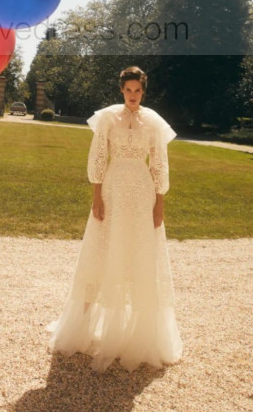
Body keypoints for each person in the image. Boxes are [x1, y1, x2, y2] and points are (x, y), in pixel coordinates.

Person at [49, 66, 183, 372]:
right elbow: (98, 155)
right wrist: (97, 194)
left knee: (139, 256)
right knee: (101, 252)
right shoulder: (108, 117)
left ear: (143, 92)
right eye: (128, 90)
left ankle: (140, 335)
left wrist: (159, 202)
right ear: (121, 90)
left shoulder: (154, 122)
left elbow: (159, 164)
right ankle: (82, 327)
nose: (133, 96)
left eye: (138, 91)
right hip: (112, 189)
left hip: (142, 195)